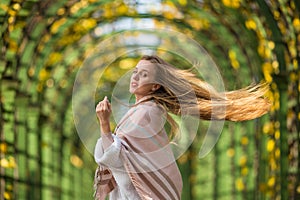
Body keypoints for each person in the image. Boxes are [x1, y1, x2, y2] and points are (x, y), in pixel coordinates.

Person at [93, 55, 270, 200]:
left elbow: (116, 159)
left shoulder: (146, 113)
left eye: (144, 74)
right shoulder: (146, 110)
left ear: (155, 85)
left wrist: (104, 123)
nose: (136, 77)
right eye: (135, 72)